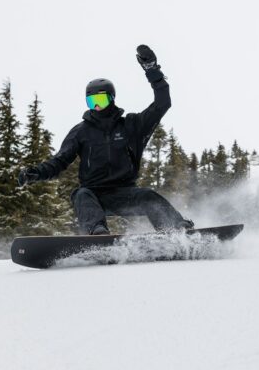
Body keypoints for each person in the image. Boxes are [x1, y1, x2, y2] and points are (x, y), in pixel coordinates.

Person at [18, 45, 193, 235]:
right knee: (80, 194)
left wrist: (152, 70)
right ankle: (97, 232)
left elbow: (162, 104)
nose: (97, 107)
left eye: (101, 101)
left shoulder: (132, 126)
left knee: (148, 195)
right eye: (92, 102)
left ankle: (175, 229)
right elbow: (59, 161)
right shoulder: (81, 132)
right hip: (94, 195)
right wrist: (35, 173)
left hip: (124, 193)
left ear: (112, 99)